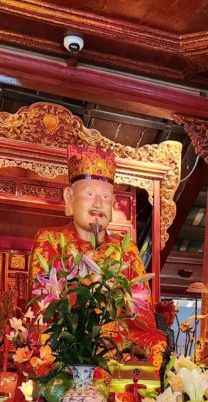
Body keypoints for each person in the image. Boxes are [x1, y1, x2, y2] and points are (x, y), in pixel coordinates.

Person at [30, 145, 164, 366]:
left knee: (156, 342)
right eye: (90, 194)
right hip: (69, 335)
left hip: (117, 339)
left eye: (106, 197)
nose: (98, 204)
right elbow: (41, 311)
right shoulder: (50, 240)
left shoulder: (125, 249)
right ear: (69, 197)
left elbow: (143, 315)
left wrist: (122, 301)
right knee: (47, 340)